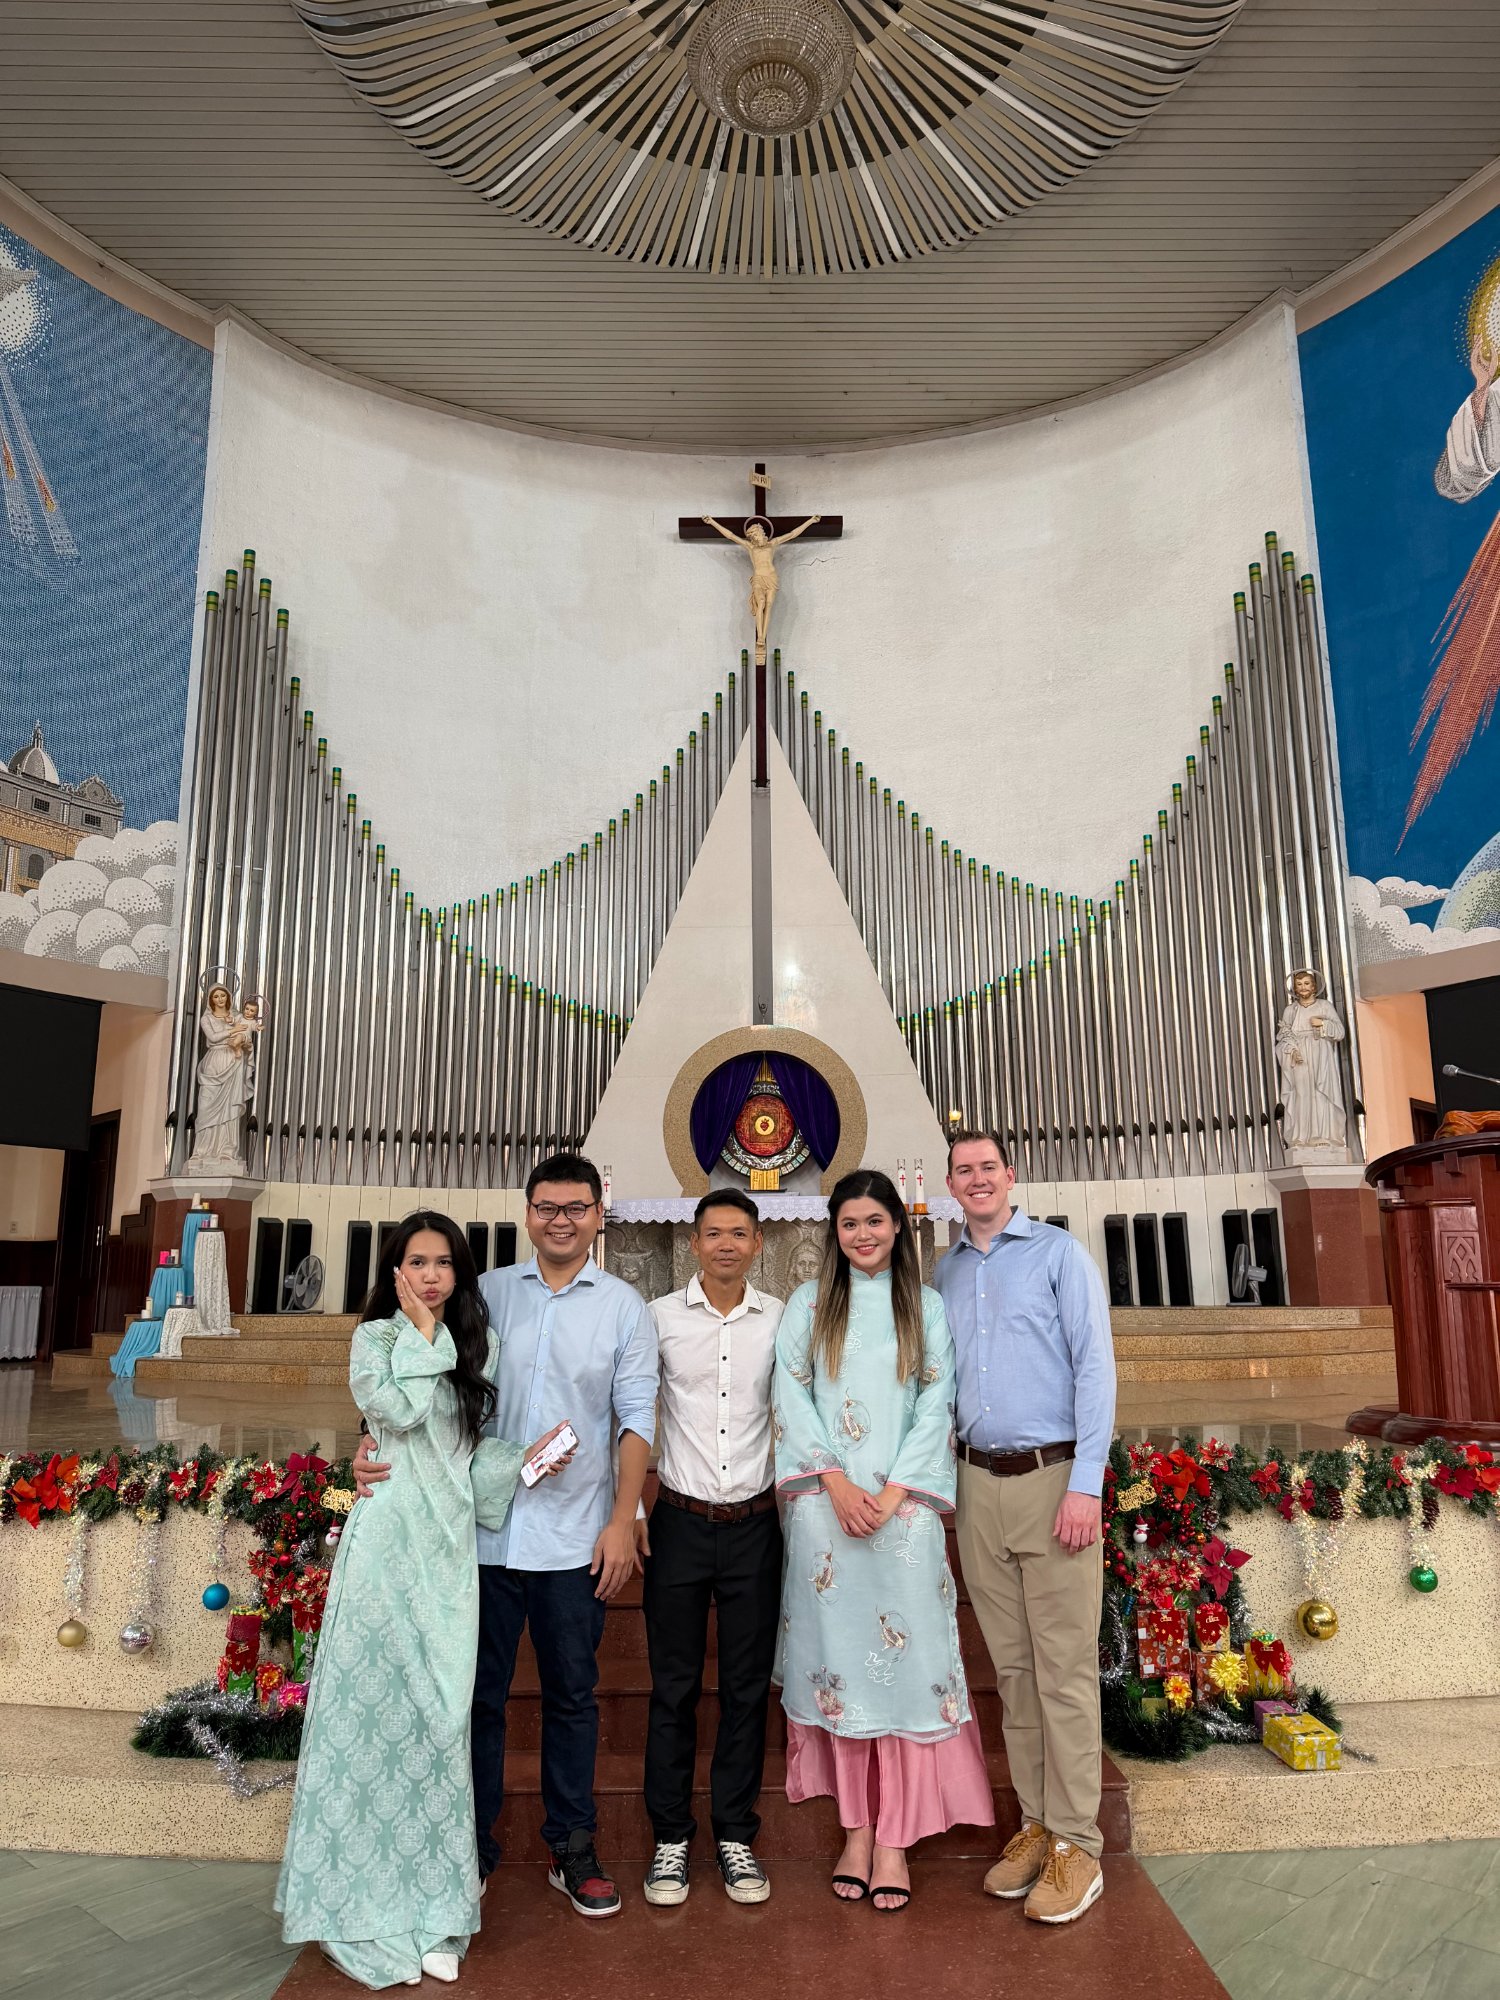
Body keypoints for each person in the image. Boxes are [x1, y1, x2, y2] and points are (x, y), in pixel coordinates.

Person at [277, 1211, 572, 1988]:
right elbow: (399, 1415)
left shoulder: (474, 1343)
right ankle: (356, 1898)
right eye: (417, 1262)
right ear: (395, 1270)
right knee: (368, 1720)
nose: (432, 1275)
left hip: (447, 1553)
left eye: (444, 1262)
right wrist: (414, 1326)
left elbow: (459, 1457)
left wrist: (524, 1461)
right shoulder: (374, 1340)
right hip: (384, 1550)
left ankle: (435, 1906)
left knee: (442, 1721)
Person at [774, 1168, 992, 1914]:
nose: (863, 1234)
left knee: (907, 1666)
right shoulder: (809, 1304)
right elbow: (790, 1394)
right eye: (849, 1223)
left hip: (903, 1517)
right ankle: (858, 1830)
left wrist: (896, 1492)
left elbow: (938, 1400)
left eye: (875, 1221)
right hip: (827, 1516)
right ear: (832, 1233)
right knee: (843, 1668)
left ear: (898, 1227)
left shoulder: (923, 1306)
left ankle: (897, 1836)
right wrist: (834, 1483)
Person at [936, 1129, 1116, 1925]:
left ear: (1011, 1175)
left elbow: (1095, 1367)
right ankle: (1038, 1823)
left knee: (1063, 1671)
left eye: (987, 1168)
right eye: (963, 1171)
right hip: (977, 1483)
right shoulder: (944, 1270)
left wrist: (1085, 1484)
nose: (976, 1180)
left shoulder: (1056, 1256)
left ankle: (1080, 1841)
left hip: (1052, 1481)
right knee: (1012, 1671)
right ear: (949, 1184)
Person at [639, 1189, 783, 1909]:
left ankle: (734, 1832)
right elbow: (633, 1414)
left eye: (739, 1232)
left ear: (759, 1243)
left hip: (757, 1525)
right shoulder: (658, 1319)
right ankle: (670, 1837)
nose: (726, 1243)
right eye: (713, 1233)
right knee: (674, 1689)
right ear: (694, 1243)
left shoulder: (782, 1322)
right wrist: (631, 1509)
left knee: (747, 1690)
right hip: (680, 1522)